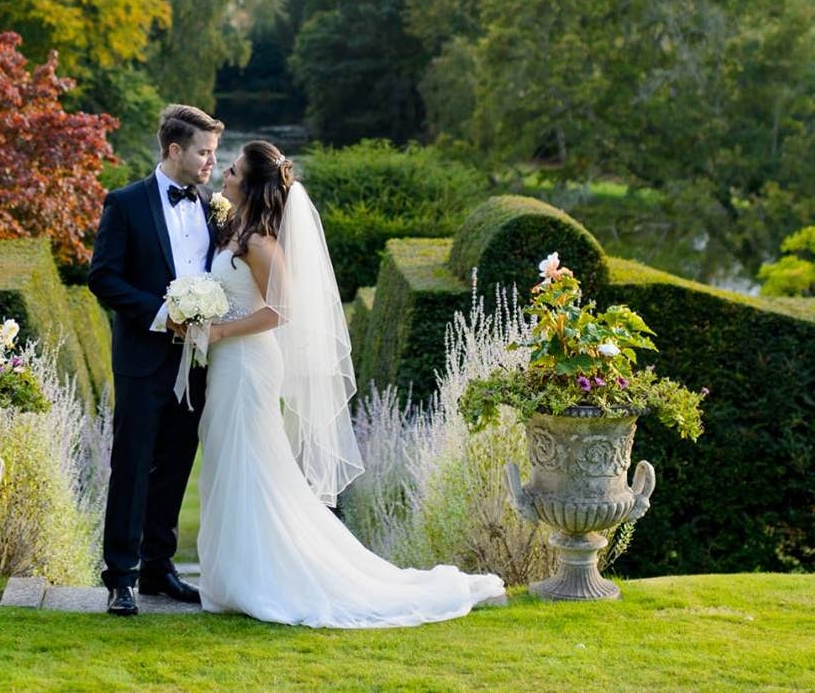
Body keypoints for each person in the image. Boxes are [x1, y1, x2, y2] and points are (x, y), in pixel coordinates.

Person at [195, 139, 506, 627]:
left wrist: (219, 331)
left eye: (232, 172)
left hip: (249, 363)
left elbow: (282, 310)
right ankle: (236, 572)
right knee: (229, 459)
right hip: (227, 364)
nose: (224, 178)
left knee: (251, 463)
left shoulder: (259, 243)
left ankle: (260, 575)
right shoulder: (235, 231)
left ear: (252, 186)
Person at [86, 103, 222, 616]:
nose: (211, 161)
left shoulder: (212, 206)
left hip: (197, 362)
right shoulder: (124, 204)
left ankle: (159, 570)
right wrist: (164, 313)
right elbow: (103, 277)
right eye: (203, 152)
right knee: (132, 467)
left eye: (212, 153)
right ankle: (121, 577)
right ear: (174, 150)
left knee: (174, 468)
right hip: (143, 359)